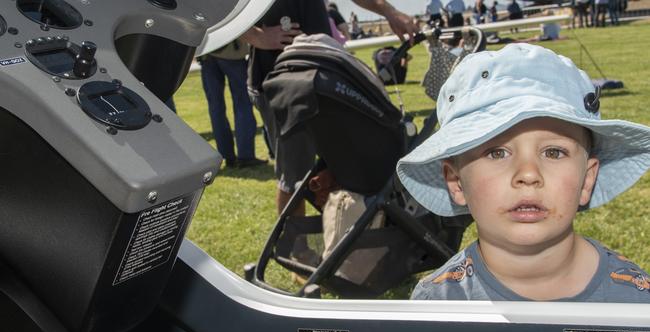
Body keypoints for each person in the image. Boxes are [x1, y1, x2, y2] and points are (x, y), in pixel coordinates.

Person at [396, 43, 650, 302]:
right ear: (456, 181)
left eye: (553, 152)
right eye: (497, 153)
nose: (528, 174)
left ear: (587, 179)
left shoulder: (634, 302)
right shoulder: (439, 303)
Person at [243, 0, 418, 217]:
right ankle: (296, 249)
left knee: (339, 168)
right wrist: (256, 36)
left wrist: (389, 12)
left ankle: (339, 239)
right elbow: (218, 8)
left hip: (325, 82)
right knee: (294, 178)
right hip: (283, 85)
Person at [199, 39, 267, 168]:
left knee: (216, 109)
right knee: (243, 105)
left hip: (207, 54)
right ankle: (245, 156)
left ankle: (227, 155)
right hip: (231, 53)